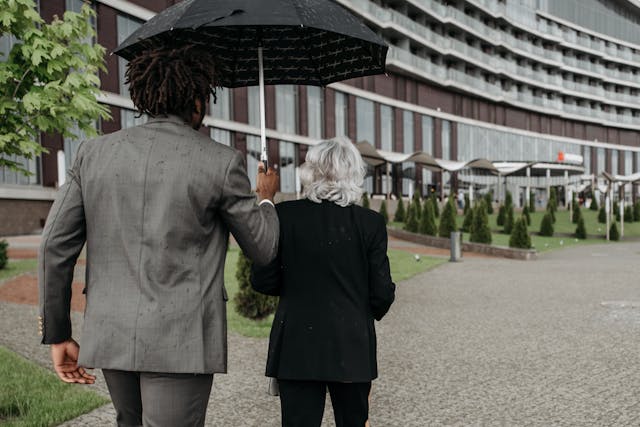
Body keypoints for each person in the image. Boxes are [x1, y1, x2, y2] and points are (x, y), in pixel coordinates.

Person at [38, 45, 280, 427]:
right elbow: (264, 248)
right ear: (198, 99)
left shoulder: (92, 153)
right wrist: (265, 198)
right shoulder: (222, 161)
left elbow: (54, 246)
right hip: (181, 341)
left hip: (112, 333)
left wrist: (58, 332)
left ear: (145, 96)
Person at [251, 137, 396, 427]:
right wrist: (359, 310)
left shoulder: (284, 215)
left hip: (297, 346)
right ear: (354, 173)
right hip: (352, 344)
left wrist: (265, 200)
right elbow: (382, 294)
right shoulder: (370, 222)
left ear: (310, 172)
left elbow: (263, 281)